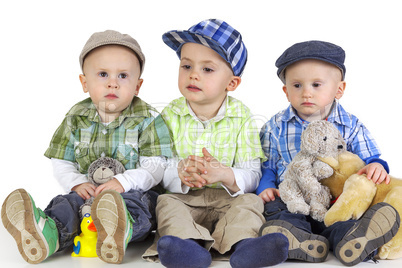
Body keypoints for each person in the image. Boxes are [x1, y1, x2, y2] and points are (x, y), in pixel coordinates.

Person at [1, 30, 173, 264]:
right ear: (84, 82)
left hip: (133, 192)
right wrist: (76, 182)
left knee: (143, 205)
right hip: (88, 193)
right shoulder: (76, 117)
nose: (113, 82)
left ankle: (120, 230)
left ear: (137, 86)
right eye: (103, 74)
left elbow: (156, 167)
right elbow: (62, 160)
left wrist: (124, 182)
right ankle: (47, 233)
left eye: (123, 76)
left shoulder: (149, 118)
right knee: (68, 204)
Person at [142, 19, 289, 268]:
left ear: (231, 83)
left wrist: (225, 174)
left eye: (207, 69)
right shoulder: (169, 115)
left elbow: (253, 174)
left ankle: (244, 246)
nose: (193, 74)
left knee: (251, 202)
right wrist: (179, 173)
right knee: (165, 203)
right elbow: (155, 166)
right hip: (184, 198)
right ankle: (186, 246)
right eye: (186, 65)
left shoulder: (241, 117)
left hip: (227, 200)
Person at [257, 40, 400, 266]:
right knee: (278, 211)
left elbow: (370, 156)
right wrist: (266, 187)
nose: (306, 93)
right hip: (290, 195)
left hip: (332, 199)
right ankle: (292, 237)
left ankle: (352, 239)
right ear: (286, 91)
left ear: (339, 89)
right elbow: (268, 164)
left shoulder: (350, 125)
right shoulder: (276, 126)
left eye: (316, 84)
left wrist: (376, 165)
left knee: (341, 219)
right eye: (296, 85)